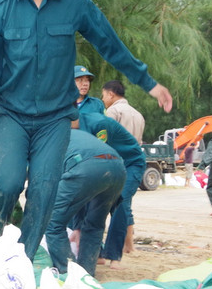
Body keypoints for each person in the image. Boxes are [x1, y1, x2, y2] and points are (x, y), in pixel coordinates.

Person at [0, 0, 172, 261]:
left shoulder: (74, 3)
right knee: (8, 183)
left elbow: (111, 45)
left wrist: (149, 83)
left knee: (44, 190)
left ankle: (23, 259)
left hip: (55, 117)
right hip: (10, 113)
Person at [45, 129, 126, 276]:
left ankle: (68, 274)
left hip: (86, 166)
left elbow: (47, 185)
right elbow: (81, 196)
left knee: (51, 222)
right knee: (94, 226)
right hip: (118, 168)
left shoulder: (45, 139)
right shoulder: (71, 133)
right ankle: (86, 275)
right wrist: (77, 227)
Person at [77, 112, 146, 268]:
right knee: (88, 200)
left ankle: (114, 256)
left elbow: (101, 154)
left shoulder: (98, 123)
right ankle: (98, 253)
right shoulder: (72, 129)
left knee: (120, 202)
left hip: (129, 163)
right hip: (107, 162)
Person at [101, 80, 145, 144]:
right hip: (135, 153)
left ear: (111, 94)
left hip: (117, 153)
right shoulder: (138, 115)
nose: (102, 99)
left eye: (103, 95)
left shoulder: (113, 111)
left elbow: (107, 137)